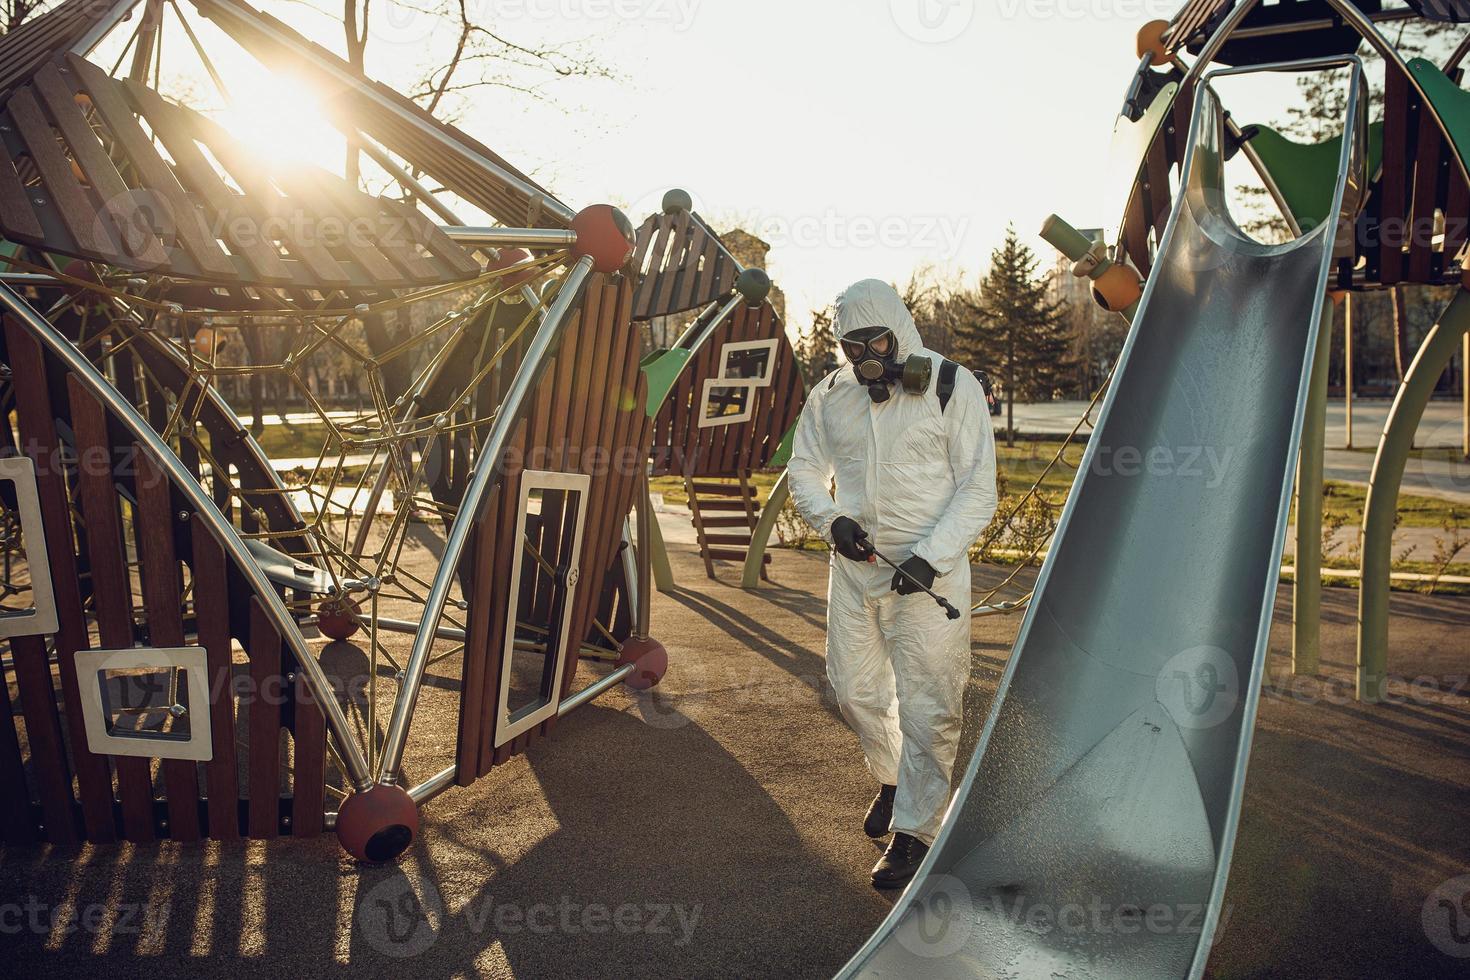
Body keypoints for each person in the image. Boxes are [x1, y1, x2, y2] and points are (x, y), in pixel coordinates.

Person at [787, 279, 997, 889]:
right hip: (856, 573)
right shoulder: (831, 395)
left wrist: (931, 558)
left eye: (873, 341)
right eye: (851, 347)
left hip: (928, 580)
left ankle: (916, 833)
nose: (864, 358)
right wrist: (831, 521)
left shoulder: (950, 387)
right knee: (853, 691)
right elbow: (804, 468)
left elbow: (978, 487)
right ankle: (891, 777)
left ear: (899, 332)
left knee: (930, 705)